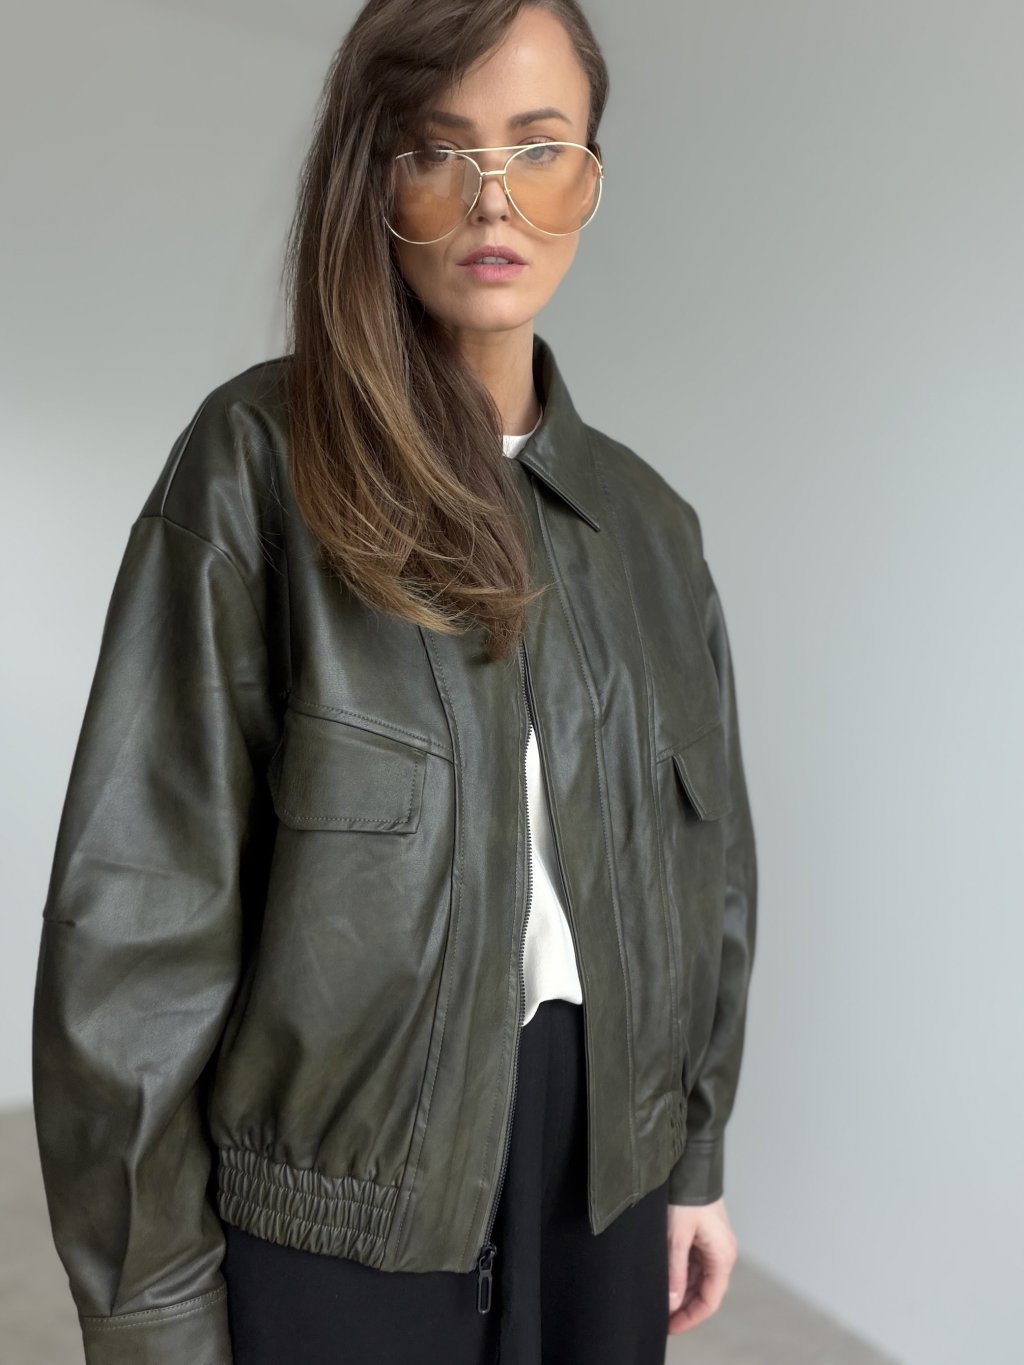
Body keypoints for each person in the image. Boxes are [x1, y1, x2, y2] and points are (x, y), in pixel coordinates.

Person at [31, 1, 757, 1362]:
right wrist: (152, 1315)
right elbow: (139, 926)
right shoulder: (256, 464)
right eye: (439, 150)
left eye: (539, 148)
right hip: (341, 1214)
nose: (495, 200)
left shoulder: (653, 529)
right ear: (375, 178)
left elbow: (709, 877)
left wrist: (693, 1156)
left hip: (603, 1187)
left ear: (592, 177)